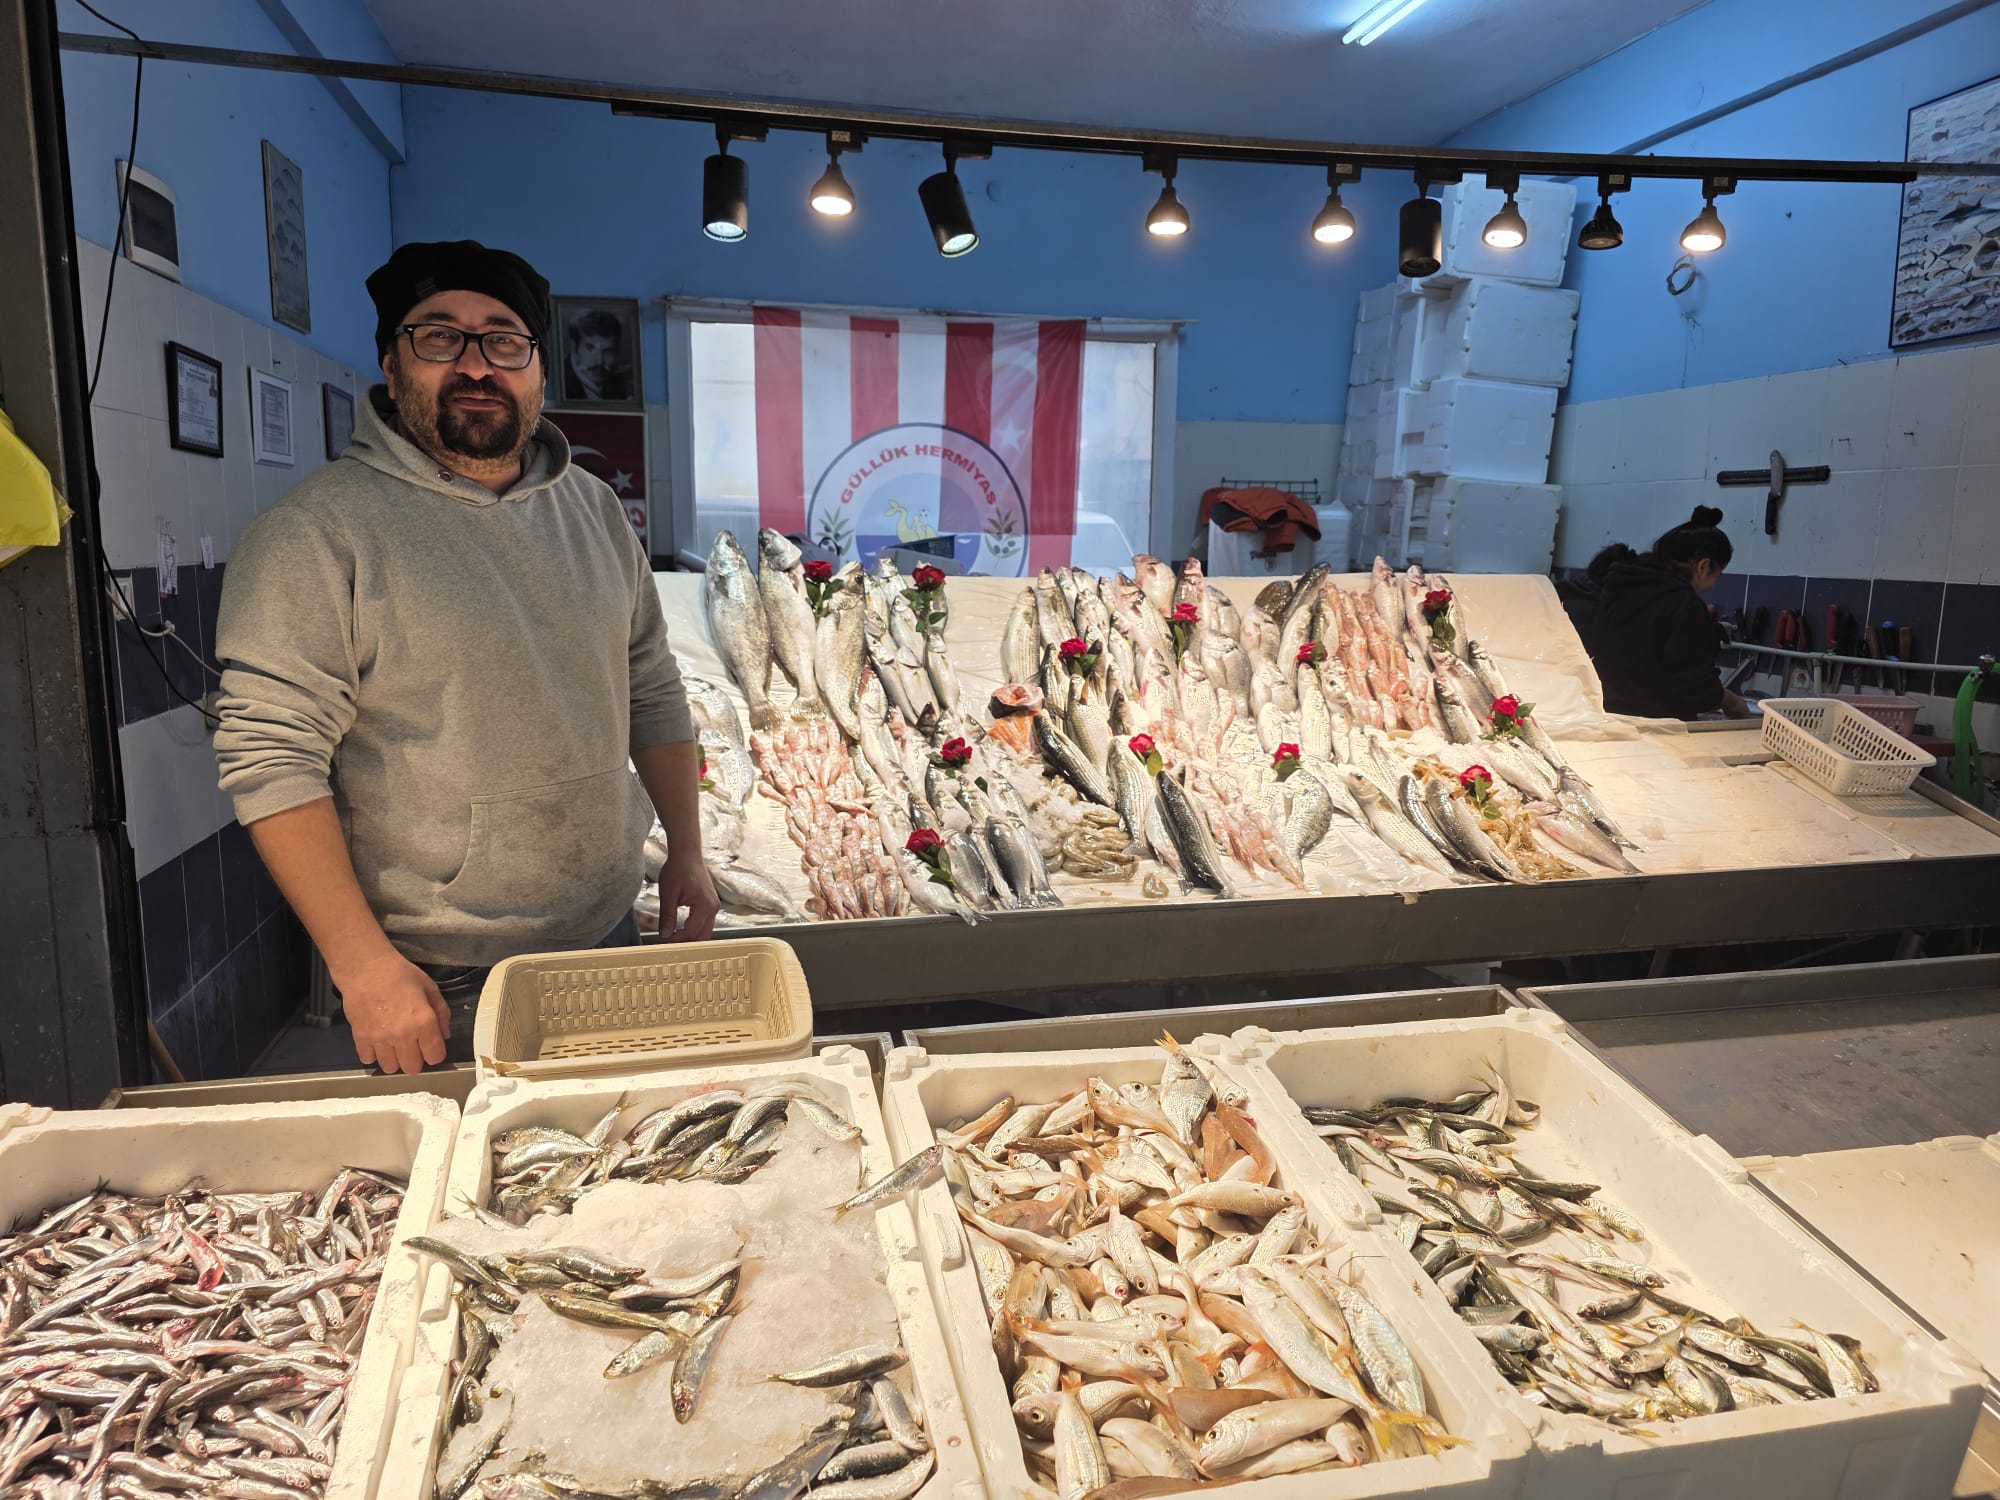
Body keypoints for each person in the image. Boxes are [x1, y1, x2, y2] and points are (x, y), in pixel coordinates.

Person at [213, 240, 719, 1075]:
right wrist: (360, 963)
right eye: (439, 336)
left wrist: (688, 850)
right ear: (390, 359)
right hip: (437, 968)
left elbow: (649, 685)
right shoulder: (316, 534)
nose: (477, 366)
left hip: (609, 928)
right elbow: (271, 757)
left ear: (538, 372)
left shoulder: (593, 509)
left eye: (504, 340)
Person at [1585, 505, 1752, 721]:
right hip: (1659, 725)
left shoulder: (1616, 585)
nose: (1713, 585)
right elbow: (1696, 684)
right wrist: (1732, 701)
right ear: (1703, 566)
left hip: (1602, 715)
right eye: (1717, 575)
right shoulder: (1684, 604)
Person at [562, 307, 631, 403]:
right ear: (574, 347)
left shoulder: (623, 383)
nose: (599, 361)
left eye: (607, 351)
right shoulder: (558, 382)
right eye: (590, 348)